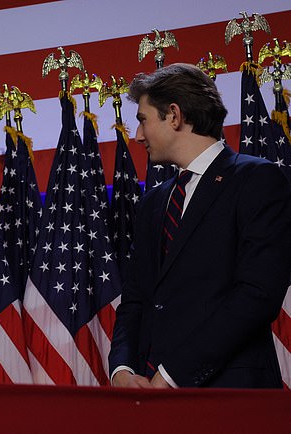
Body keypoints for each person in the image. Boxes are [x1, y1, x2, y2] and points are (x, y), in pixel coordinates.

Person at [109, 63, 291, 388]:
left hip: (229, 397)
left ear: (174, 116)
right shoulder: (153, 201)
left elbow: (256, 295)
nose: (137, 136)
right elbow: (135, 299)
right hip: (152, 396)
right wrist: (121, 368)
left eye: (142, 121)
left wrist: (172, 374)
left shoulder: (256, 180)